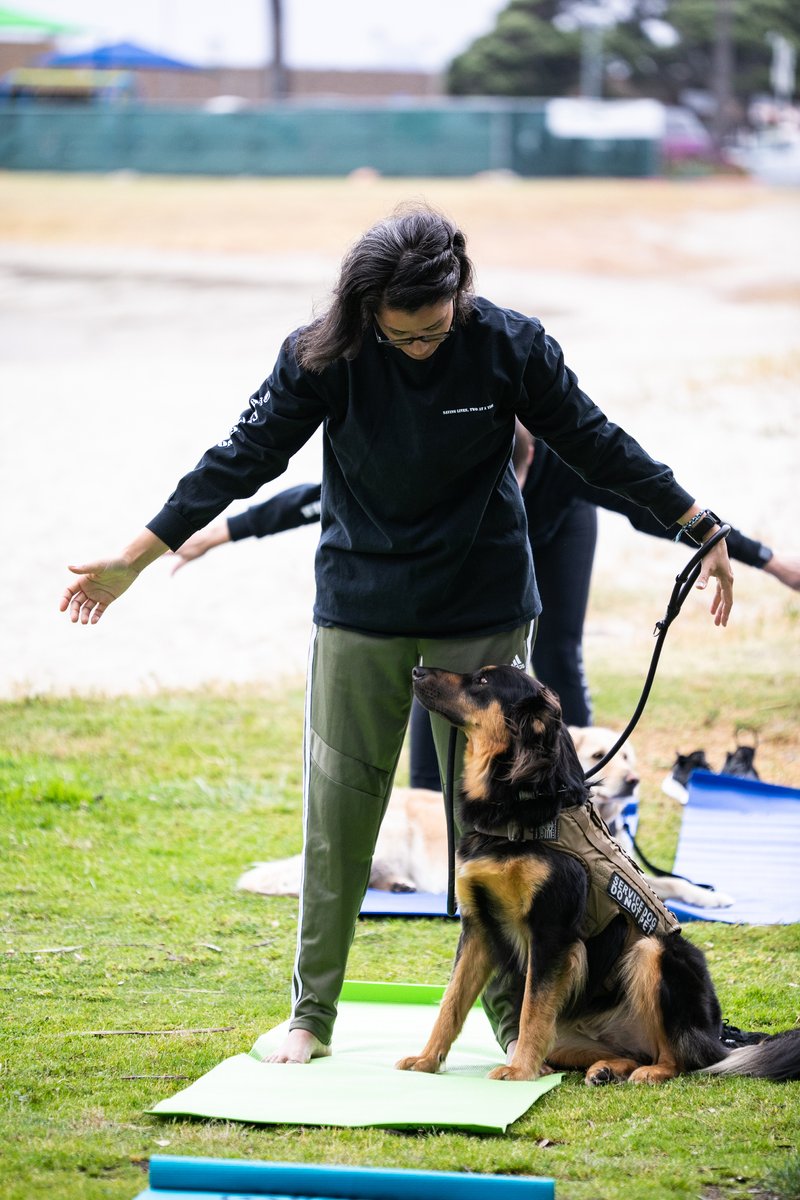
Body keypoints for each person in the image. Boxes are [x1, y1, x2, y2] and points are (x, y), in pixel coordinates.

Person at [61, 204, 734, 1067]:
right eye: (402, 335)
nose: (422, 346)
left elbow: (595, 443)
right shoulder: (319, 355)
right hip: (362, 603)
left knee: (501, 830)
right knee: (339, 810)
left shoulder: (511, 345)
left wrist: (695, 522)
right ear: (365, 310)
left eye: (436, 330)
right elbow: (239, 458)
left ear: (459, 296)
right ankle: (310, 1014)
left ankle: (509, 1030)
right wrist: (135, 557)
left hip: (483, 603)